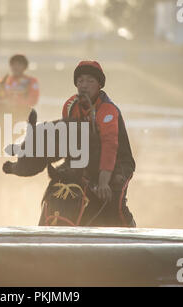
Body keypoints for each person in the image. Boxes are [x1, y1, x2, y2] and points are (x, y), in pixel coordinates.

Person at [62, 61, 136, 227]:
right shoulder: (70, 106)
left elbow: (110, 145)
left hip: (118, 163)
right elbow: (68, 139)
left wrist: (103, 181)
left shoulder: (108, 109)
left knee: (112, 200)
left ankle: (131, 232)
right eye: (80, 81)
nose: (84, 86)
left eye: (90, 81)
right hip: (87, 160)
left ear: (99, 85)